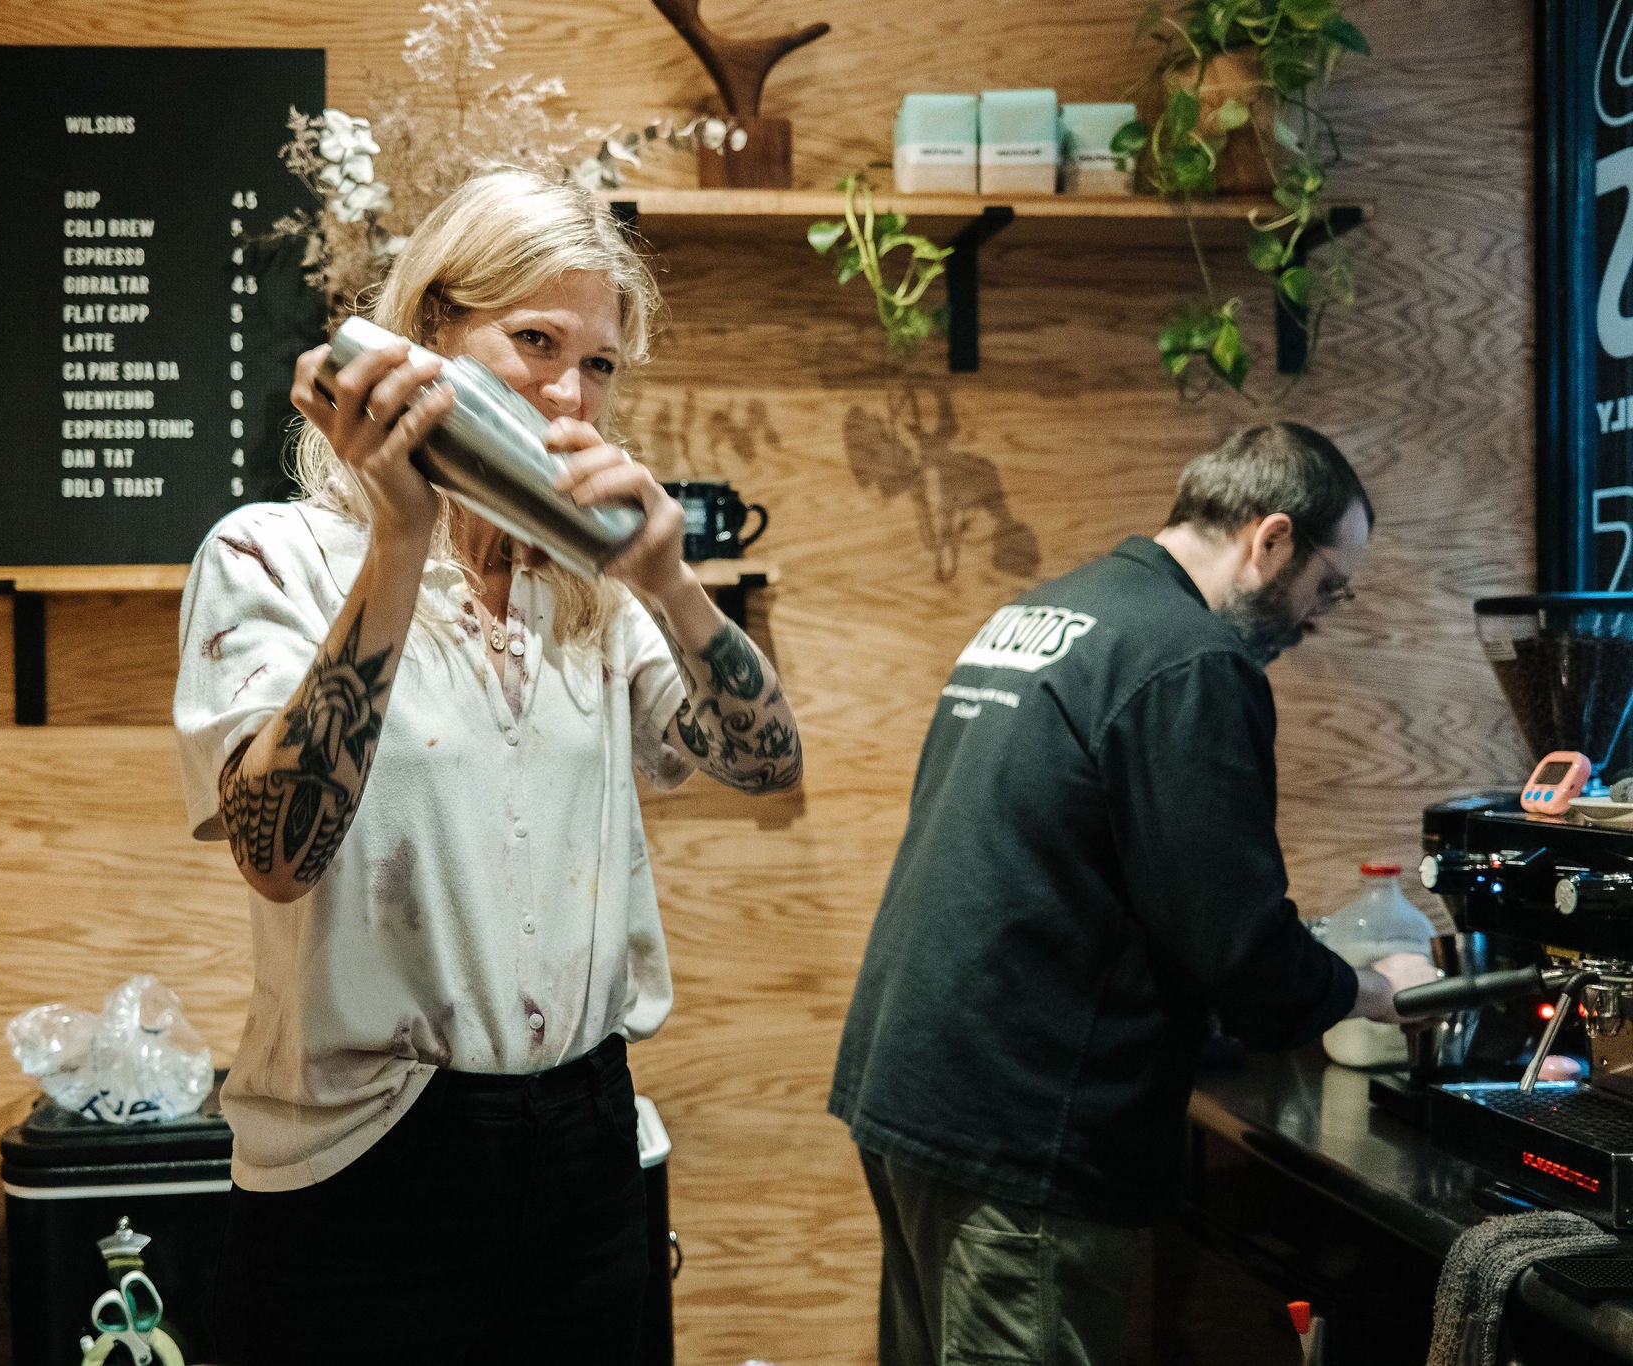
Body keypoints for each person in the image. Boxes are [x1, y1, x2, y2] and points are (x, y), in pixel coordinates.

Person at [172, 168, 802, 1365]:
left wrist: (668, 581)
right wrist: (403, 538)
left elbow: (763, 763)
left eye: (601, 362)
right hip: (362, 1159)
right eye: (531, 340)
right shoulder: (272, 557)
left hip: (584, 1139)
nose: (570, 392)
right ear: (426, 339)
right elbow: (273, 856)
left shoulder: (598, 601)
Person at [828, 423, 1438, 1366]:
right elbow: (1232, 942)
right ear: (1271, 539)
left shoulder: (1048, 614)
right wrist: (1377, 991)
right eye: (1330, 585)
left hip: (915, 1088)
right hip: (1027, 1128)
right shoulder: (1190, 658)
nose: (1317, 618)